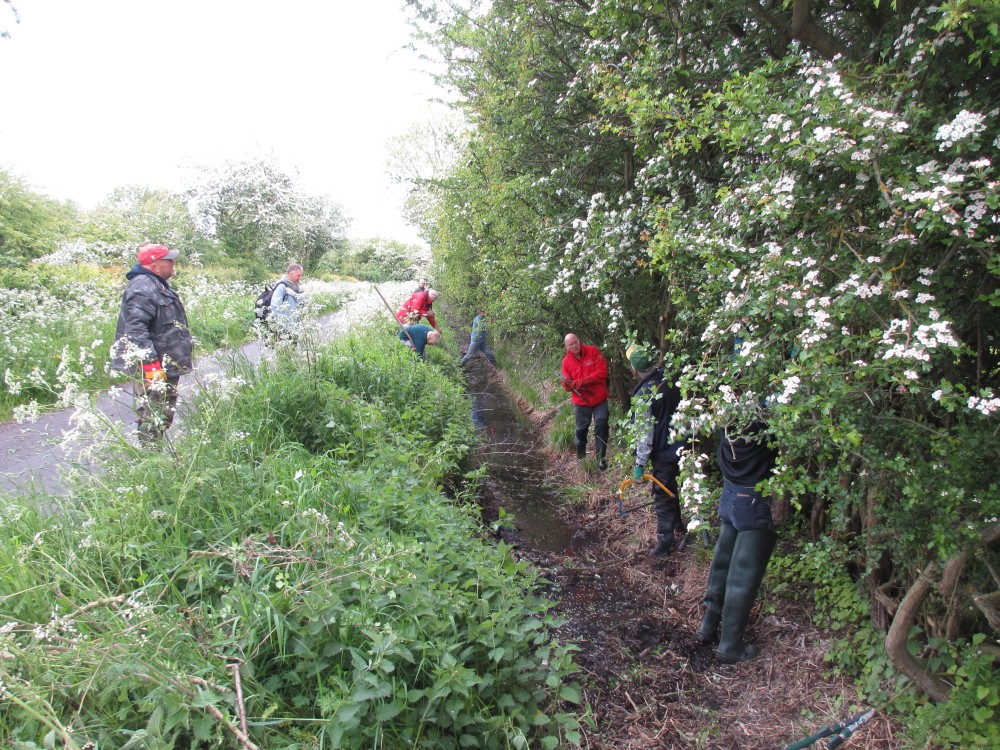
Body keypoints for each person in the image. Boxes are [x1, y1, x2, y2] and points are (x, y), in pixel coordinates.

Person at [695, 417, 778, 662]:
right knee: (743, 575)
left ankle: (708, 626)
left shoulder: (725, 411)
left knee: (723, 557)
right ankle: (730, 645)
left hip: (730, 492)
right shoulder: (761, 417)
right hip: (752, 498)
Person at [110, 243, 193, 444]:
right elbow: (135, 330)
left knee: (162, 412)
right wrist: (151, 365)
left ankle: (156, 455)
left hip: (165, 363)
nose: (173, 263)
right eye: (168, 260)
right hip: (154, 366)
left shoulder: (156, 284)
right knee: (154, 413)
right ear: (155, 265)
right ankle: (151, 460)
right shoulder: (142, 287)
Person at [628, 346, 686, 557]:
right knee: (671, 488)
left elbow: (645, 436)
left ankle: (664, 545)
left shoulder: (644, 395)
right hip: (684, 446)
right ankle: (679, 526)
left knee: (662, 494)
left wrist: (639, 465)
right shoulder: (671, 380)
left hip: (664, 452)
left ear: (634, 369)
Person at [561, 332, 610, 469]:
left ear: (579, 341)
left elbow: (603, 372)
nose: (575, 345)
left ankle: (601, 458)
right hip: (581, 402)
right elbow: (566, 385)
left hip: (599, 397)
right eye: (571, 344)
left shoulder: (592, 351)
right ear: (567, 347)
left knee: (601, 425)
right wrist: (568, 384)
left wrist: (583, 381)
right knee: (581, 429)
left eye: (576, 342)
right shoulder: (566, 362)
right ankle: (581, 458)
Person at [269, 263, 304, 342]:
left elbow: (303, 304)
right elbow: (274, 306)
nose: (300, 278)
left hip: (294, 327)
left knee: (292, 351)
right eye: (298, 275)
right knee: (283, 353)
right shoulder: (282, 287)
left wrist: (294, 294)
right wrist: (282, 324)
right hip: (284, 329)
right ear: (291, 274)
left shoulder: (296, 287)